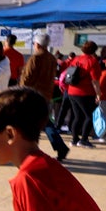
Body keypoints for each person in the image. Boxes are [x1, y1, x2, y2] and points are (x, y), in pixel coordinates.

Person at [18, 31, 70, 161]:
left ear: (37, 44)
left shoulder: (36, 58)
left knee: (33, 124)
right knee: (44, 122)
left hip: (33, 95)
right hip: (46, 94)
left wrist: (21, 91)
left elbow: (27, 78)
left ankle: (32, 150)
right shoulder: (51, 58)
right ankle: (59, 146)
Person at [62, 41, 103, 148]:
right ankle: (84, 140)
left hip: (72, 91)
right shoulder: (92, 61)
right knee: (89, 116)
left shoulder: (76, 59)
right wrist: (98, 94)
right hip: (85, 93)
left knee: (77, 116)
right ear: (94, 50)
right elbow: (95, 81)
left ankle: (74, 139)